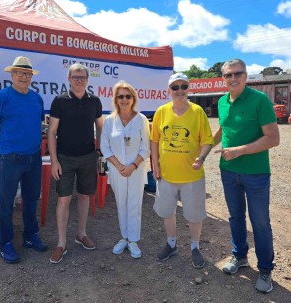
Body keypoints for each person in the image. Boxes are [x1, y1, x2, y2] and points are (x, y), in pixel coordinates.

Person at [213, 59, 280, 293]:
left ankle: (265, 269)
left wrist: (239, 151)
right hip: (228, 171)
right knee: (235, 217)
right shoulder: (222, 101)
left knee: (260, 222)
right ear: (223, 78)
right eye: (228, 75)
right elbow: (223, 129)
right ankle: (240, 256)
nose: (233, 78)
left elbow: (273, 138)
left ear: (246, 75)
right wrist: (200, 149)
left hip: (256, 173)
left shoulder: (260, 100)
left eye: (237, 73)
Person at [0, 56, 48, 264]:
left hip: (33, 157)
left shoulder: (36, 98)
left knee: (30, 200)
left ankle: (30, 236)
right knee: (6, 202)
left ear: (31, 77)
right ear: (11, 75)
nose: (23, 76)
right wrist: (3, 144)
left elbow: (36, 125)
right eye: (19, 73)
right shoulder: (1, 97)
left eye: (27, 73)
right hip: (10, 158)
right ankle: (6, 243)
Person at [150, 72, 213, 268]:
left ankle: (195, 247)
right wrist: (155, 165)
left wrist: (201, 158)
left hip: (192, 176)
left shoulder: (197, 112)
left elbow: (207, 141)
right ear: (169, 90)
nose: (179, 91)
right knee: (168, 212)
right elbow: (155, 140)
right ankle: (171, 244)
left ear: (188, 89)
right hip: (167, 175)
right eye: (175, 87)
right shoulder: (161, 111)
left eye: (183, 87)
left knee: (194, 215)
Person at [48, 63, 103, 264]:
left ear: (87, 79)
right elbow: (52, 131)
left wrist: (101, 153)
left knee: (84, 196)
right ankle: (61, 243)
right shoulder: (60, 101)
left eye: (82, 77)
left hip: (88, 156)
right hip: (65, 158)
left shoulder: (95, 101)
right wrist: (54, 160)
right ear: (69, 79)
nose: (79, 80)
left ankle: (81, 234)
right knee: (63, 199)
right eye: (75, 77)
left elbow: (100, 127)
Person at [100, 81, 150, 259]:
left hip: (136, 169)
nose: (124, 99)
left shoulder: (141, 119)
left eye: (128, 96)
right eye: (120, 96)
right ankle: (124, 237)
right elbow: (104, 147)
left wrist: (132, 166)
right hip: (117, 170)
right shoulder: (109, 121)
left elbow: (146, 148)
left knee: (135, 204)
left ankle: (133, 240)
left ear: (133, 98)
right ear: (115, 99)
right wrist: (120, 166)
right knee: (121, 203)